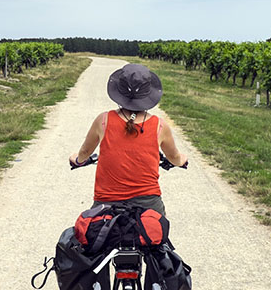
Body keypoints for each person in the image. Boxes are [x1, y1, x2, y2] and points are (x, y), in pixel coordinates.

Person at [70, 62, 187, 217]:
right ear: (148, 94)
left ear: (119, 91)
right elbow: (174, 157)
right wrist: (181, 160)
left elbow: (85, 151)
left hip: (107, 201)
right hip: (148, 203)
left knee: (90, 236)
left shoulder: (103, 120)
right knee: (159, 236)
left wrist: (78, 160)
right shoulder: (160, 126)